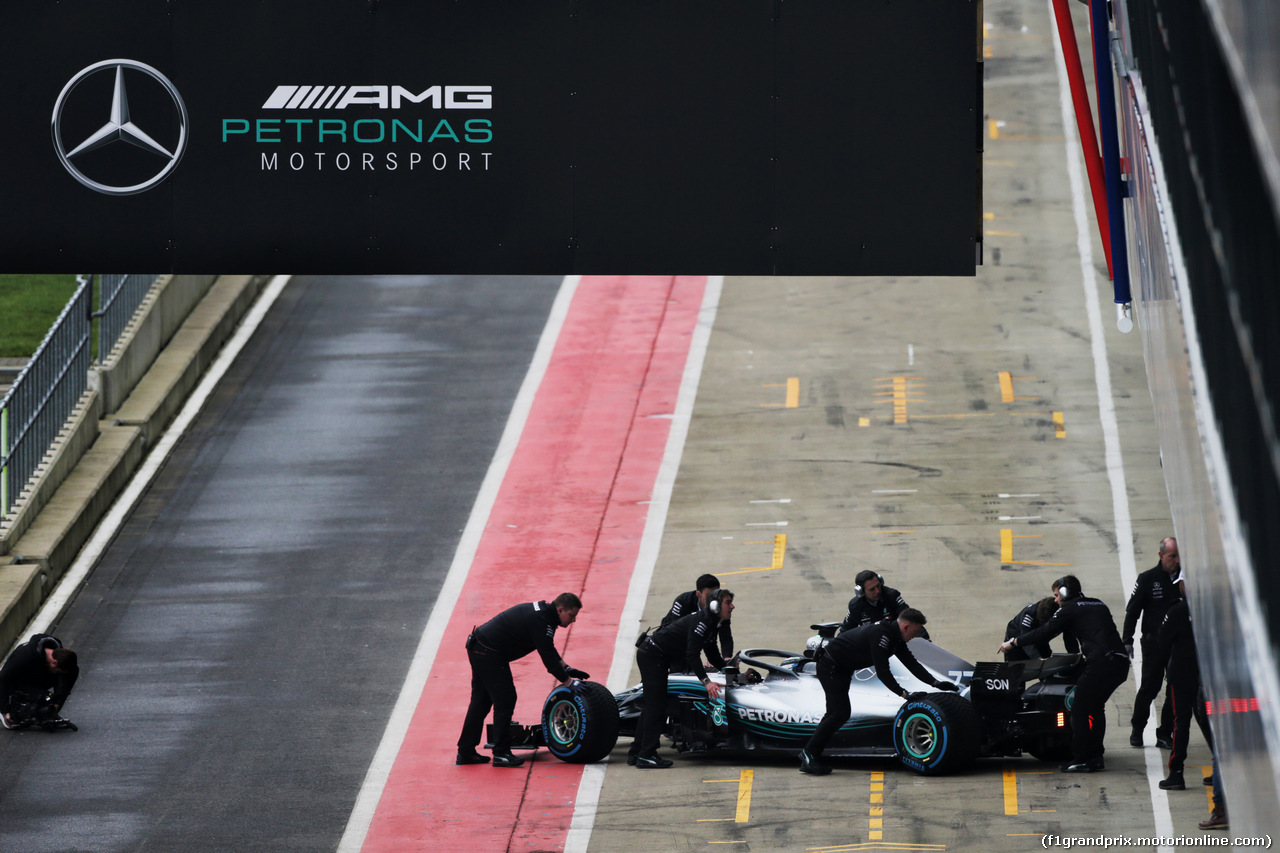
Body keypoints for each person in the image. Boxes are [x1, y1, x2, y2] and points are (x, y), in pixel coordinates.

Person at [801, 609, 958, 775]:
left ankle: (811, 754)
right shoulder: (881, 635)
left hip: (841, 669)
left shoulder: (895, 637)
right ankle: (809, 754)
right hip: (830, 666)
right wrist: (904, 694)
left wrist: (936, 683)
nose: (916, 635)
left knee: (838, 713)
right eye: (915, 631)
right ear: (905, 627)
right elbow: (883, 672)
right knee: (838, 713)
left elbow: (912, 663)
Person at [998, 575, 1129, 772]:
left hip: (1101, 664)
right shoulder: (1097, 604)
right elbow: (1076, 637)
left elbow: (1043, 633)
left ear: (1066, 593)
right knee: (1094, 708)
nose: (1056, 600)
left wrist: (1014, 642)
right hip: (1120, 662)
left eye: (1057, 595)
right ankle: (1095, 756)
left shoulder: (1069, 609)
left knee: (1079, 710)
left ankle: (1082, 758)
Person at [456, 593, 588, 767]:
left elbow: (547, 646)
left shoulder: (546, 614)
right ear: (560, 609)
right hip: (487, 650)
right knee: (505, 698)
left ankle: (466, 752)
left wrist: (566, 668)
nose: (573, 620)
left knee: (481, 702)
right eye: (572, 615)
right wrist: (569, 682)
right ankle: (501, 753)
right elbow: (548, 659)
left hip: (481, 646)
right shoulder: (543, 620)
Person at [630, 589, 734, 769]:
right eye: (728, 602)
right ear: (715, 606)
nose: (732, 606)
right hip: (652, 655)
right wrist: (706, 682)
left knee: (652, 706)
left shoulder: (712, 623)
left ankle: (636, 753)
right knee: (656, 706)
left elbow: (713, 653)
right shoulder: (702, 622)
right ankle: (646, 755)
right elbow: (692, 655)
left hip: (657, 656)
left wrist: (729, 671)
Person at [1155, 573, 1213, 790]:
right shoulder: (1210, 609)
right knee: (1211, 721)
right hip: (1206, 673)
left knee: (1181, 723)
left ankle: (1176, 773)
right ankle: (1221, 770)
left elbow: (1162, 641)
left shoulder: (1177, 610)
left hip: (1181, 674)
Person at [1123, 537, 1181, 748]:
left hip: (1178, 645)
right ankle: (1137, 728)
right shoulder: (1148, 579)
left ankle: (1165, 732)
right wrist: (1127, 640)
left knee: (1175, 689)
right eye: (1172, 556)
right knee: (1149, 686)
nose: (1176, 560)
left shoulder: (1185, 579)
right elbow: (1133, 611)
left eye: (1178, 556)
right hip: (1154, 644)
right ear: (1161, 556)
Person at [0, 633, 79, 729]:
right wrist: (5, 710)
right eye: (58, 670)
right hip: (16, 680)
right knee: (38, 695)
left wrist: (55, 706)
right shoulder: (25, 657)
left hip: (38, 675)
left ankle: (46, 708)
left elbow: (65, 681)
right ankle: (12, 708)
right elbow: (2, 679)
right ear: (54, 662)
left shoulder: (58, 653)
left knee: (70, 674)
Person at [661, 573, 733, 662]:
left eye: (716, 595)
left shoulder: (720, 607)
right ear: (698, 594)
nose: (713, 599)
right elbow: (677, 634)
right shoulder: (683, 602)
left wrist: (726, 658)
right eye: (708, 595)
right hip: (669, 640)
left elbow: (725, 636)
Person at [1003, 597, 1079, 661]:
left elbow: (1069, 638)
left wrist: (1075, 656)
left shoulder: (1062, 616)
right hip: (1017, 645)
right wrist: (1038, 659)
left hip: (1041, 642)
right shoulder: (1028, 615)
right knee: (1013, 674)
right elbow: (1026, 641)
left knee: (1049, 672)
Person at [839, 571, 911, 633]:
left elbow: (910, 619)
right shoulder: (855, 606)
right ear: (861, 592)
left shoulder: (892, 596)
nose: (877, 591)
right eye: (872, 589)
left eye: (878, 586)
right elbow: (845, 632)